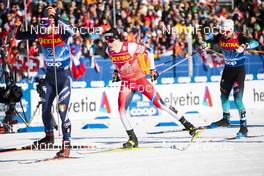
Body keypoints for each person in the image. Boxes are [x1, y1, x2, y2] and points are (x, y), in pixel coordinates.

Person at [103, 28, 200, 148]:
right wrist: (116, 72)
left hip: (139, 81)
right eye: (106, 40)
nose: (109, 43)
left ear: (117, 38)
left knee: (161, 105)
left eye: (111, 40)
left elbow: (149, 51)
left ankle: (189, 127)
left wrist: (152, 69)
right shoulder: (109, 50)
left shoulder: (130, 47)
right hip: (127, 83)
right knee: (121, 111)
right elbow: (116, 62)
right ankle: (132, 139)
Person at [15, 6, 74, 157]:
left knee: (62, 111)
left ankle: (67, 144)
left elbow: (72, 30)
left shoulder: (62, 35)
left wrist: (57, 17)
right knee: (45, 109)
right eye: (43, 28)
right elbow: (20, 36)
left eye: (47, 27)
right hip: (49, 78)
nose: (44, 31)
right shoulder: (40, 34)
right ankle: (48, 137)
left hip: (64, 78)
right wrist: (19, 25)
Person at [204, 19, 259, 138]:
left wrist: (244, 46)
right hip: (227, 70)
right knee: (223, 95)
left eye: (227, 32)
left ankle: (244, 128)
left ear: (232, 30)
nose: (224, 34)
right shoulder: (221, 36)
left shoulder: (239, 36)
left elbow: (255, 43)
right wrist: (206, 43)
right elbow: (210, 41)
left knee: (237, 99)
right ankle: (225, 119)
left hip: (238, 71)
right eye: (223, 31)